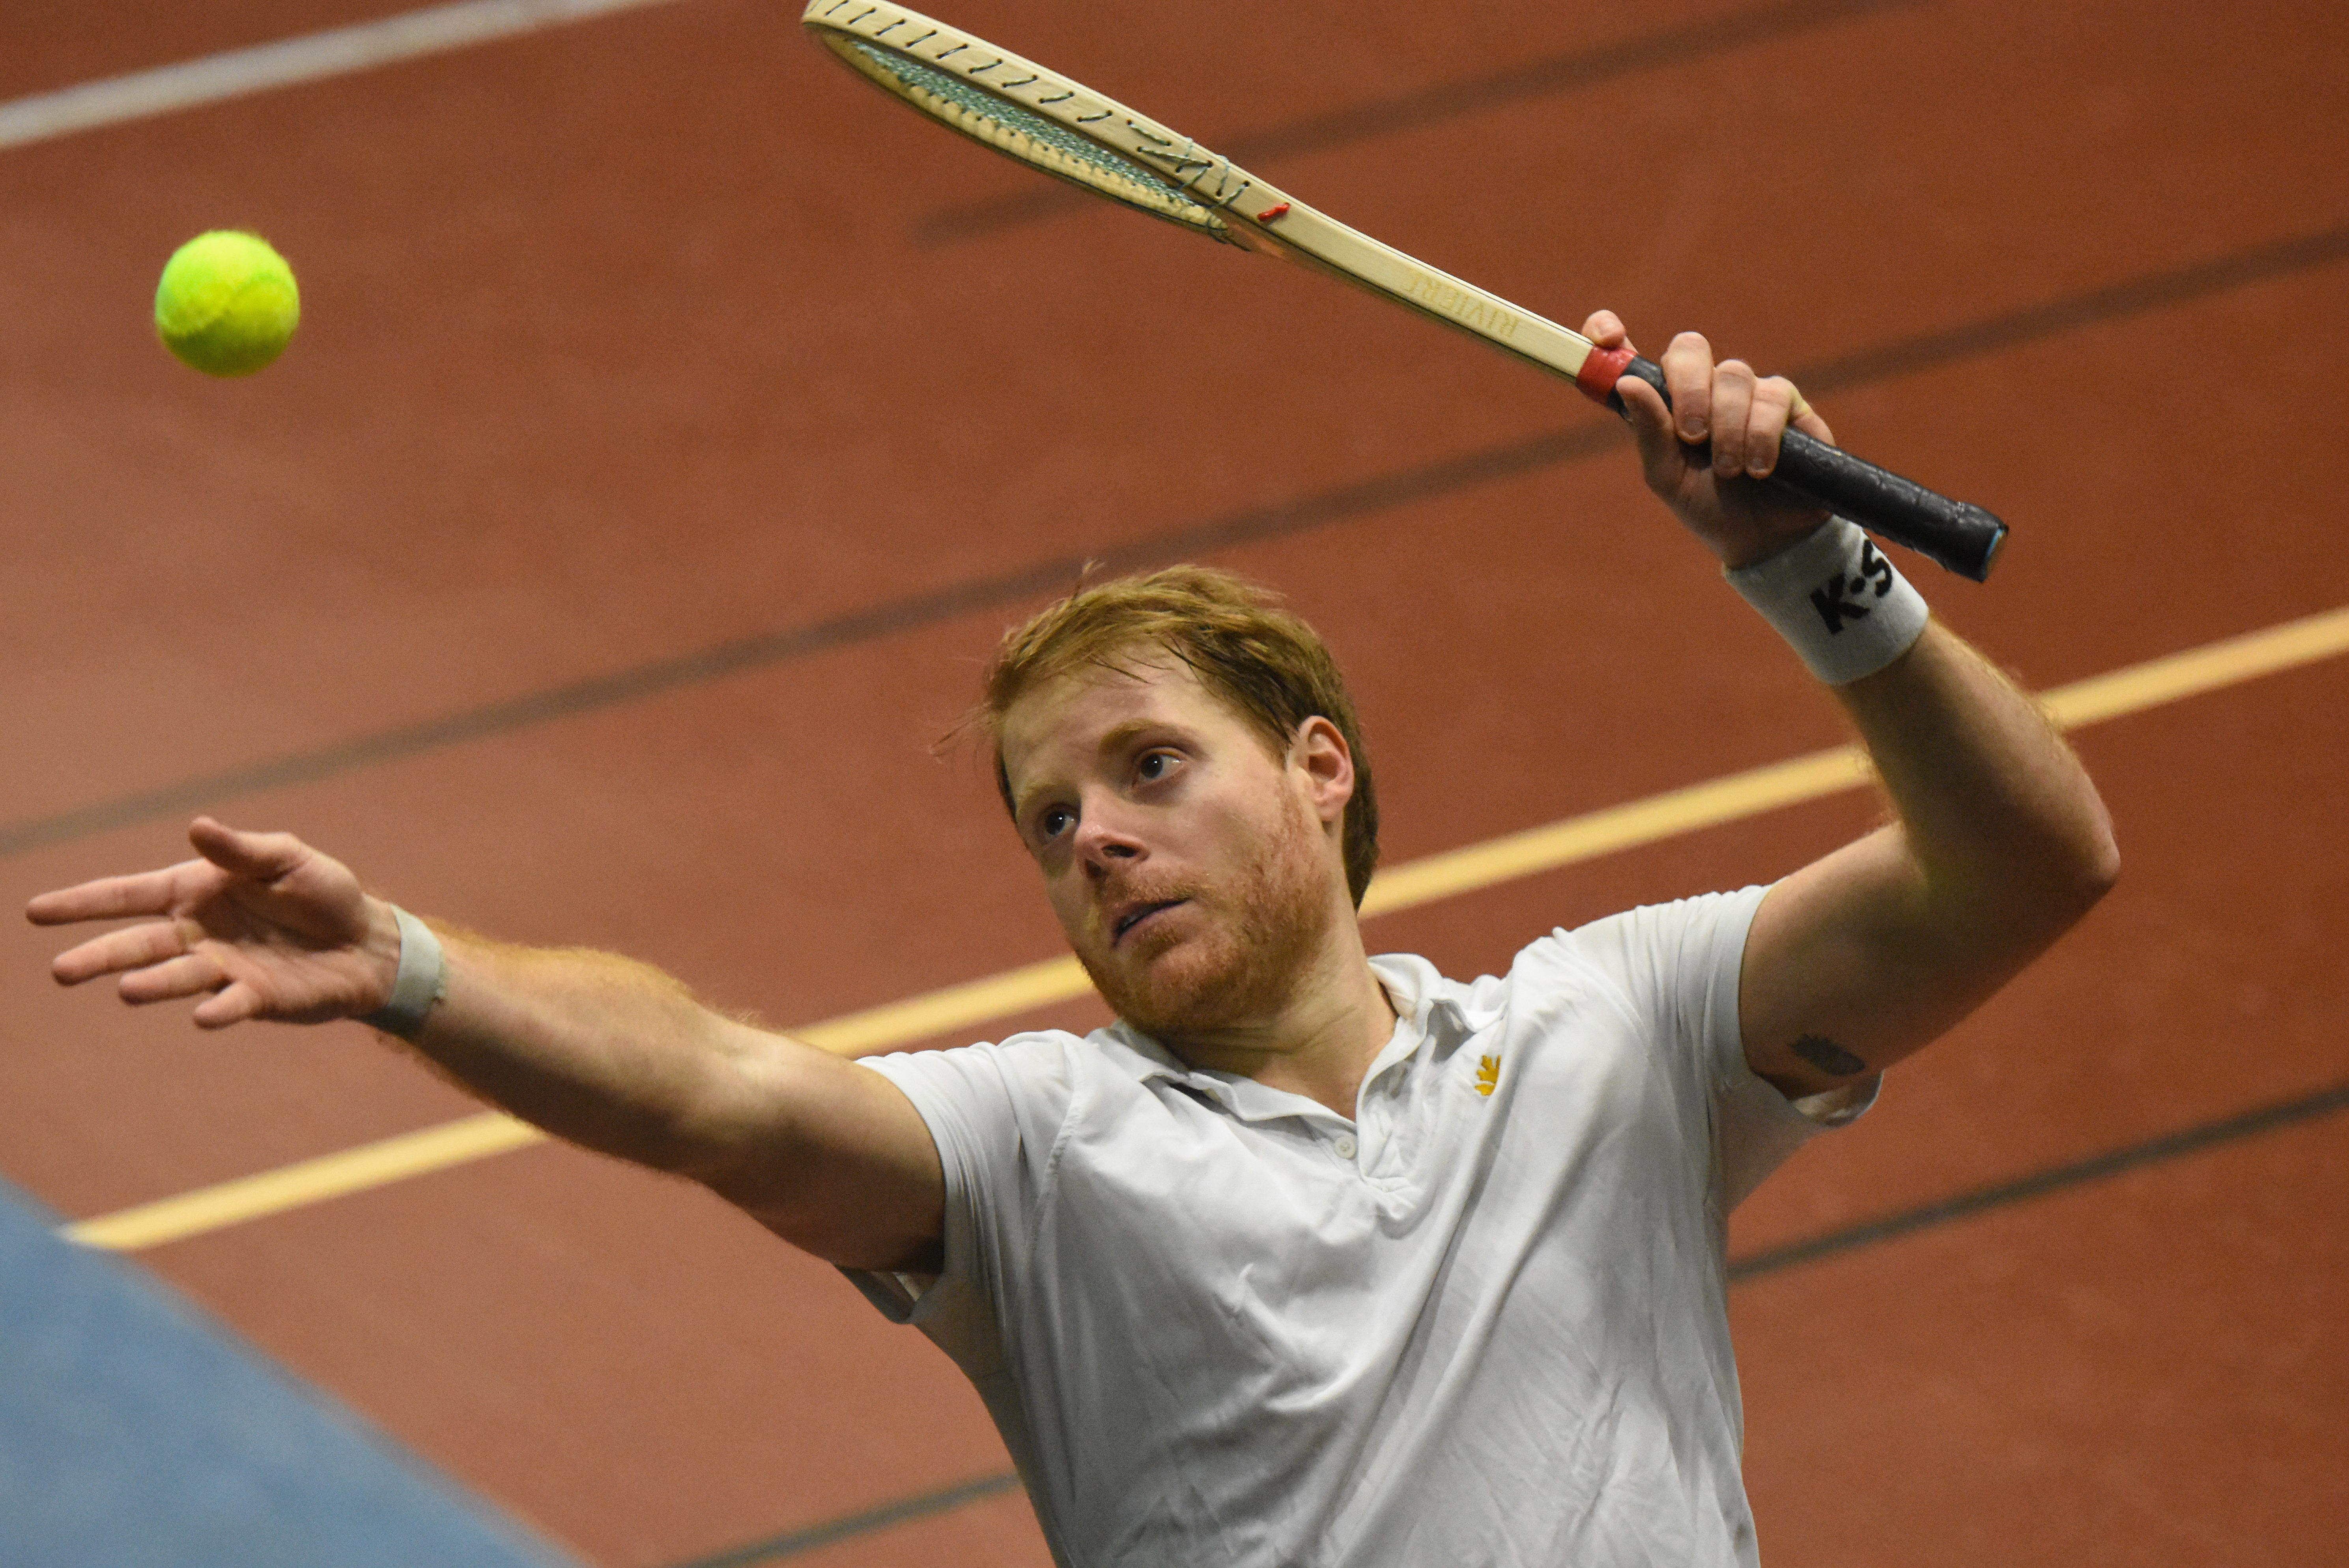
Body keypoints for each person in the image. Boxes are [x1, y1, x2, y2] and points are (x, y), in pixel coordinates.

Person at [28, 314, 2117, 1566]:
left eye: (1141, 768)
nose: (1093, 839)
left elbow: (2020, 870)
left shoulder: (1613, 1029)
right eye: (1049, 817)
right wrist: (406, 962)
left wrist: (1810, 567)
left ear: (1317, 768)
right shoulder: (1037, 1153)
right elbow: (716, 1088)